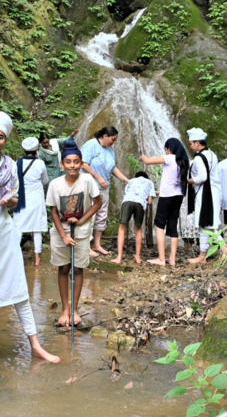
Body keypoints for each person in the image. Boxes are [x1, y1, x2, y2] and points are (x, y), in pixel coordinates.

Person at [0, 112, 59, 363]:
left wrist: (11, 201)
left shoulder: (11, 166)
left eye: (1, 137)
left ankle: (36, 346)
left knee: (19, 290)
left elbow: (16, 199)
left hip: (5, 231)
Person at [47, 140, 102, 326]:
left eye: (76, 161)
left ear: (81, 163)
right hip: (60, 231)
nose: (72, 165)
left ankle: (75, 310)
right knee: (63, 268)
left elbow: (97, 203)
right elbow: (54, 211)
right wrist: (63, 234)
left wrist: (81, 220)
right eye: (68, 162)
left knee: (78, 268)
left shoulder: (87, 180)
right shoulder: (55, 184)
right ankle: (64, 309)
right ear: (62, 164)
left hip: (81, 231)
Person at [80, 126, 130, 257]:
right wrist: (97, 176)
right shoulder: (91, 145)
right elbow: (83, 163)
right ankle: (85, 246)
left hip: (103, 187)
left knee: (101, 216)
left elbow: (112, 167)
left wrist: (125, 179)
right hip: (90, 185)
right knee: (90, 215)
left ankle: (96, 244)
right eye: (113, 139)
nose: (114, 142)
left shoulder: (110, 148)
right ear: (105, 136)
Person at [141, 138, 191, 267]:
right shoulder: (183, 161)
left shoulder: (170, 158)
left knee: (159, 225)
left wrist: (142, 156)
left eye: (166, 149)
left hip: (167, 196)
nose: (166, 151)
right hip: (178, 196)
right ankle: (172, 259)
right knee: (172, 225)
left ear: (170, 148)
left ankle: (161, 259)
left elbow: (148, 161)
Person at [186, 128, 222, 265]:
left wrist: (187, 181)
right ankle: (203, 255)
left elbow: (202, 177)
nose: (190, 146)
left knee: (205, 224)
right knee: (210, 224)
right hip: (214, 192)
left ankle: (222, 249)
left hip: (205, 194)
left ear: (197, 143)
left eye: (191, 143)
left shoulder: (199, 157)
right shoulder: (212, 154)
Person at [14, 136, 49, 267]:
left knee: (18, 226)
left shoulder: (18, 162)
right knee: (37, 228)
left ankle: (14, 257)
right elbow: (45, 180)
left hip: (21, 199)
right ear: (36, 150)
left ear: (24, 150)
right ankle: (38, 260)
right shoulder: (40, 163)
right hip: (36, 199)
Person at [112, 171, 154, 265]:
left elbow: (127, 193)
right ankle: (138, 257)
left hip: (128, 201)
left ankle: (119, 258)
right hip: (140, 203)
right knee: (138, 229)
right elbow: (150, 202)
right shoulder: (150, 182)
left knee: (122, 228)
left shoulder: (131, 181)